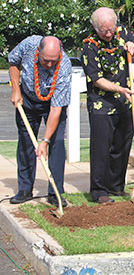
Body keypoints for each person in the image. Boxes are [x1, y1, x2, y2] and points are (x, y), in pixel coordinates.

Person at [81, 7, 134, 204]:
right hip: (101, 104)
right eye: (103, 31)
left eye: (110, 29)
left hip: (125, 101)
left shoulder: (122, 32)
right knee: (101, 148)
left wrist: (133, 47)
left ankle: (116, 186)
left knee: (122, 145)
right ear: (95, 28)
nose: (108, 34)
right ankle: (99, 190)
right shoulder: (89, 46)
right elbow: (96, 79)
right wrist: (119, 89)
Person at [8, 36, 72, 207]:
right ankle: (25, 189)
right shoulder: (28, 45)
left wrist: (45, 141)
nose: (50, 64)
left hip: (52, 104)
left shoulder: (64, 66)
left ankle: (55, 192)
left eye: (53, 61)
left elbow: (56, 109)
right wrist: (16, 90)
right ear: (39, 51)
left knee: (56, 143)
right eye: (46, 60)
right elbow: (13, 63)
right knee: (26, 143)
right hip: (27, 100)